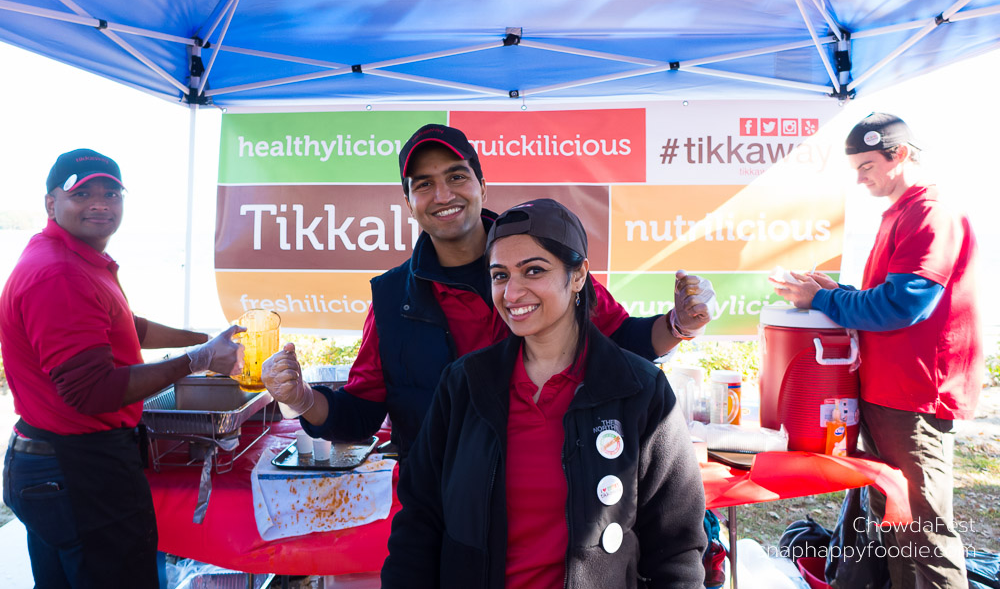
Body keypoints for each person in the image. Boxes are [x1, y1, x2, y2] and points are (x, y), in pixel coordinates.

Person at [263, 123, 718, 462]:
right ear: (408, 203)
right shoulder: (391, 300)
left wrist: (679, 324)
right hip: (444, 502)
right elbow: (359, 417)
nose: (443, 194)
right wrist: (302, 398)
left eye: (457, 176)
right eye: (423, 184)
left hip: (556, 482)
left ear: (482, 185)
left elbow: (622, 340)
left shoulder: (542, 259)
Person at [381, 198, 707, 588]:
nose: (512, 292)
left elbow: (676, 552)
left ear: (578, 276)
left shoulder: (640, 391)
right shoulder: (464, 385)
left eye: (533, 270)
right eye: (500, 275)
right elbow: (419, 523)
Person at [1, 149, 245, 588]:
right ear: (51, 203)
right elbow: (92, 391)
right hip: (77, 470)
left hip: (52, 463)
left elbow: (125, 329)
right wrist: (200, 360)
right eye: (83, 193)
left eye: (111, 193)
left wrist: (200, 339)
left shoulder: (73, 258)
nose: (100, 203)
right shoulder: (59, 273)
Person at [771, 113, 982, 589]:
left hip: (913, 395)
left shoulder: (931, 212)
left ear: (900, 154)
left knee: (920, 532)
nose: (860, 177)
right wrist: (838, 290)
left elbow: (902, 305)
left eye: (866, 165)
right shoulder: (903, 212)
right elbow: (887, 298)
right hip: (890, 391)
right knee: (890, 520)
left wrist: (822, 300)